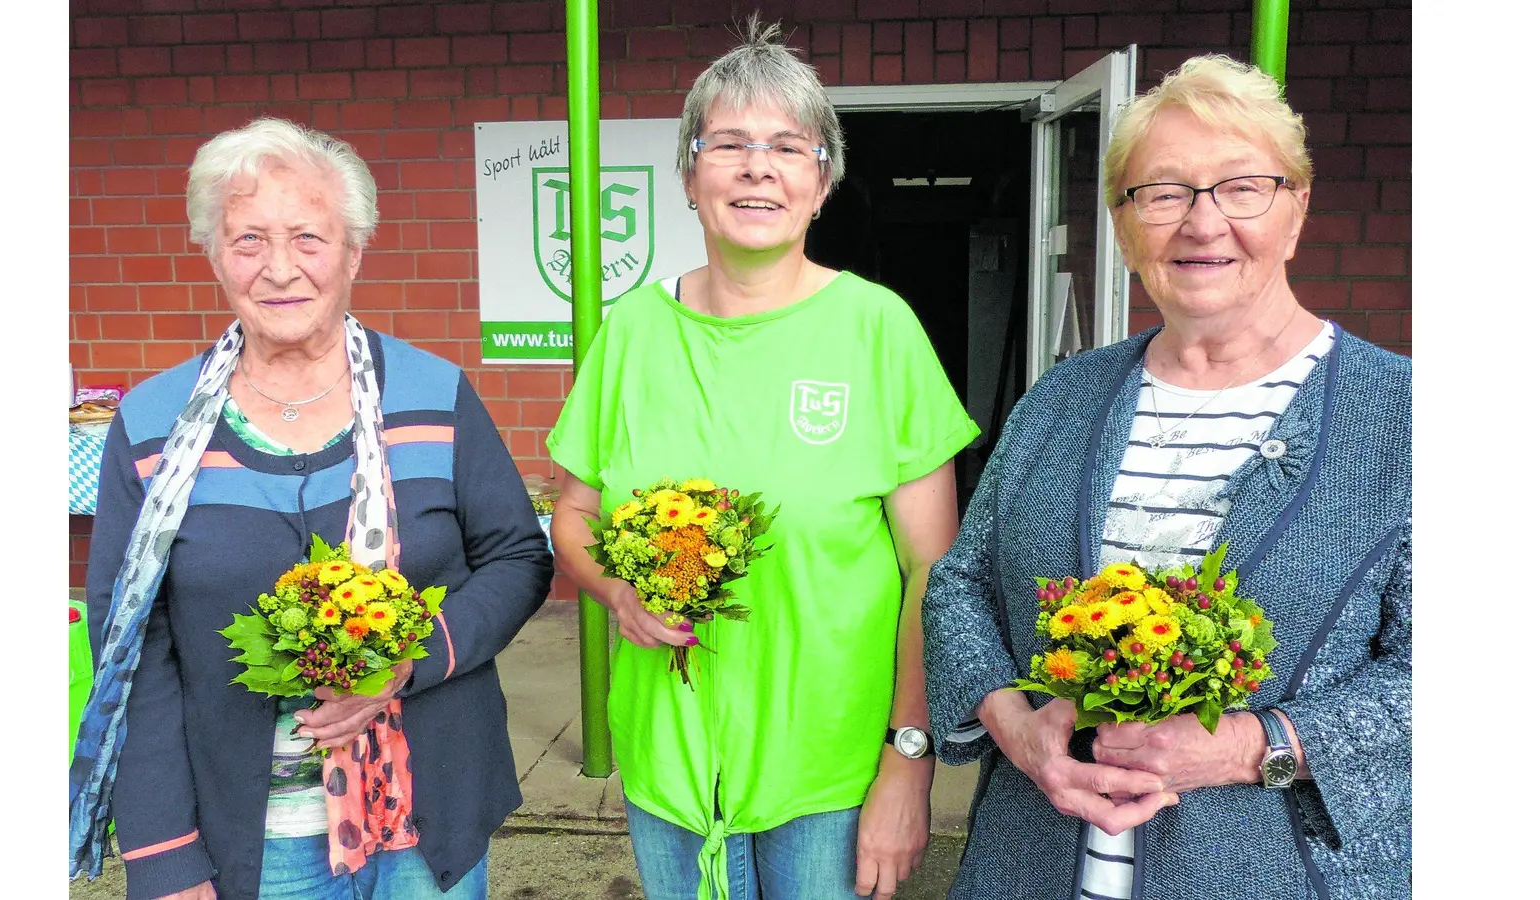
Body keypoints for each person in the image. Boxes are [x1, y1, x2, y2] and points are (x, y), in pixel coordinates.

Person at [922, 55, 1410, 900]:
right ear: (1125, 226)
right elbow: (960, 584)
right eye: (1165, 192)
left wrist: (1249, 745)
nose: (1203, 222)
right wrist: (1015, 726)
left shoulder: (1407, 416)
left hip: (1275, 873)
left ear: (1296, 209)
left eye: (1242, 187)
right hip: (1032, 865)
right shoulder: (1064, 396)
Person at [546, 17, 979, 900]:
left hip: (831, 761)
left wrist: (909, 760)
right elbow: (573, 515)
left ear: (822, 183)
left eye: (789, 146)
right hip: (670, 758)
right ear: (689, 176)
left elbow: (935, 573)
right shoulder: (631, 332)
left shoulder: (877, 329)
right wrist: (618, 590)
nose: (757, 167)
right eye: (730, 144)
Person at [68, 117, 554, 900]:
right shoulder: (151, 425)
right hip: (251, 846)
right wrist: (162, 850)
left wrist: (409, 661)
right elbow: (133, 647)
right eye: (249, 240)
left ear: (354, 252)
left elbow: (518, 557)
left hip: (429, 822)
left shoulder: (433, 395)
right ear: (215, 254)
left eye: (308, 238)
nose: (280, 268)